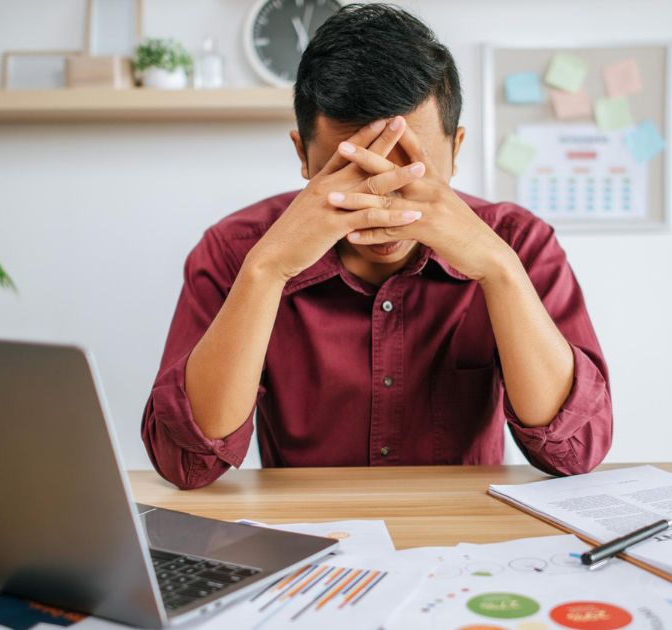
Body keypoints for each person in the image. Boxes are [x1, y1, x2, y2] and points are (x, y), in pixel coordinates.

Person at [142, 4, 612, 490]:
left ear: (456, 150)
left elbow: (575, 451)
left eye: (412, 170)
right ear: (303, 156)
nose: (382, 206)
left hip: (463, 544)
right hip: (308, 539)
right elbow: (188, 463)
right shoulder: (234, 251)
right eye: (352, 174)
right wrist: (266, 271)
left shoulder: (518, 243)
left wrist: (498, 270)